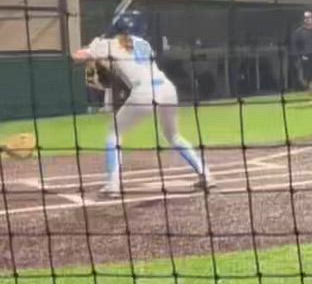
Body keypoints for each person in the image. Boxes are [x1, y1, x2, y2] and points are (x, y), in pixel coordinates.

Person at [72, 11, 215, 197]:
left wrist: (93, 46)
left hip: (144, 93)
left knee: (114, 133)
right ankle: (206, 174)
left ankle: (113, 185)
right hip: (167, 90)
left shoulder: (109, 44)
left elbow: (76, 56)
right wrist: (97, 48)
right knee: (173, 135)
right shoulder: (144, 44)